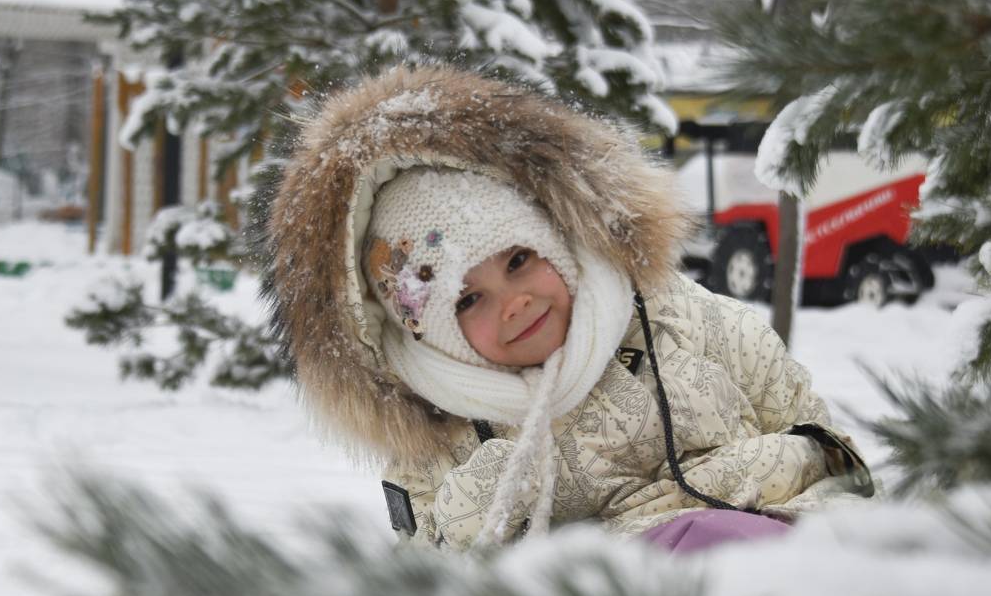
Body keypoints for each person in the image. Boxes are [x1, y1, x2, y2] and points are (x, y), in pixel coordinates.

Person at [267, 63, 873, 553]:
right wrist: (474, 518)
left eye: (518, 260)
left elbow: (839, 467)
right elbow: (436, 591)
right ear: (431, 334)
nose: (516, 301)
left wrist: (760, 490)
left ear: (554, 242)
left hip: (772, 581)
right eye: (469, 299)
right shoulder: (434, 435)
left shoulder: (693, 324)